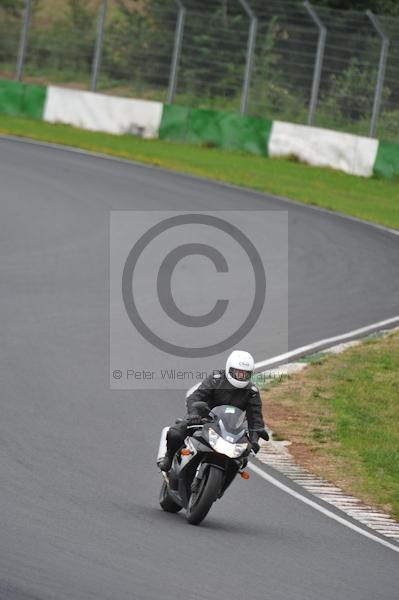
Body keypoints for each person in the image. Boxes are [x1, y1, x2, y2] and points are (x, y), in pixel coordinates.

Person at [157, 350, 269, 472]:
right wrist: (194, 413)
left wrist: (255, 439)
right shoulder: (216, 379)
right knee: (176, 433)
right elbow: (195, 397)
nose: (240, 376)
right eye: (237, 373)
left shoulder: (252, 392)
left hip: (230, 431)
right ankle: (169, 456)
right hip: (203, 421)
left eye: (244, 374)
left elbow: (256, 418)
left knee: (241, 460)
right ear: (229, 369)